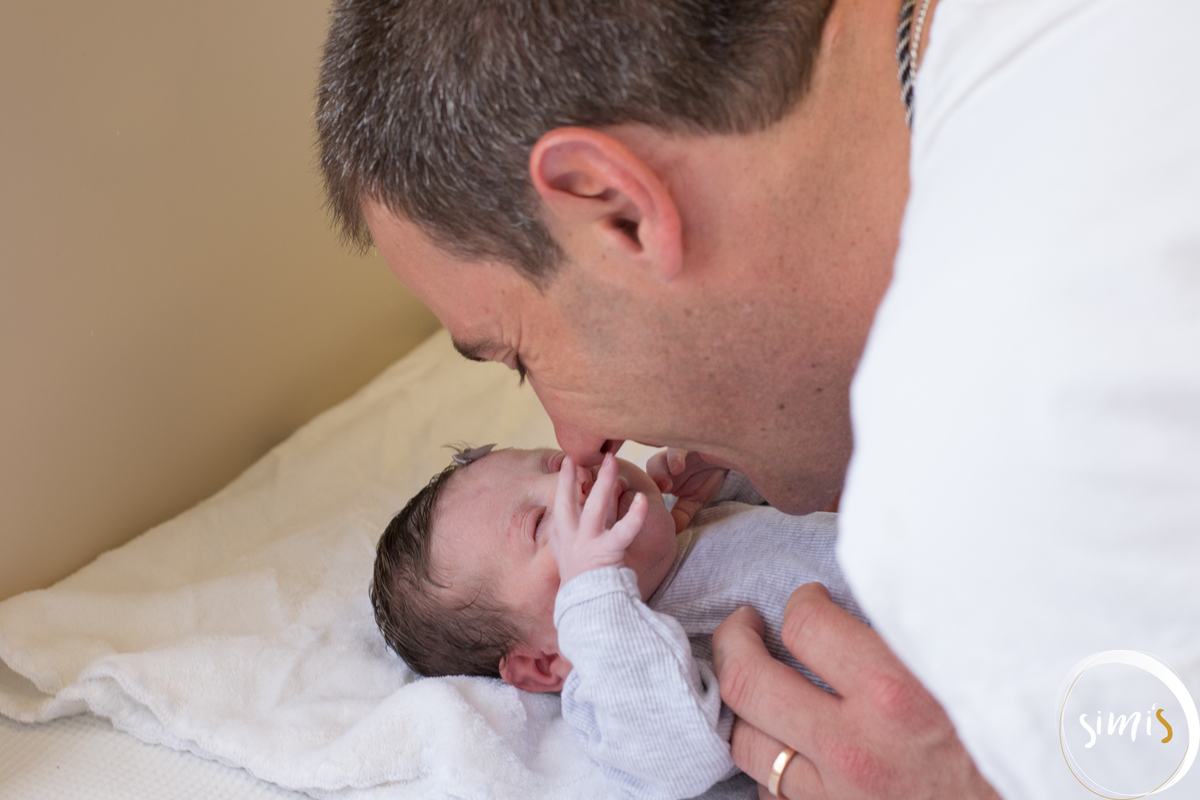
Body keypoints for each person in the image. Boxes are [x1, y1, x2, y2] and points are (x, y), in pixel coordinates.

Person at [317, 0, 1200, 797]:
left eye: (517, 354)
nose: (581, 445)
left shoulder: (996, 426)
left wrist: (993, 786)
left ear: (617, 207)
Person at [371, 445, 865, 799]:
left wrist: (736, 463)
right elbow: (681, 755)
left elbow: (804, 502)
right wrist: (596, 596)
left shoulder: (687, 527)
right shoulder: (607, 682)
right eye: (545, 524)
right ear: (545, 662)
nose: (573, 481)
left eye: (555, 464)